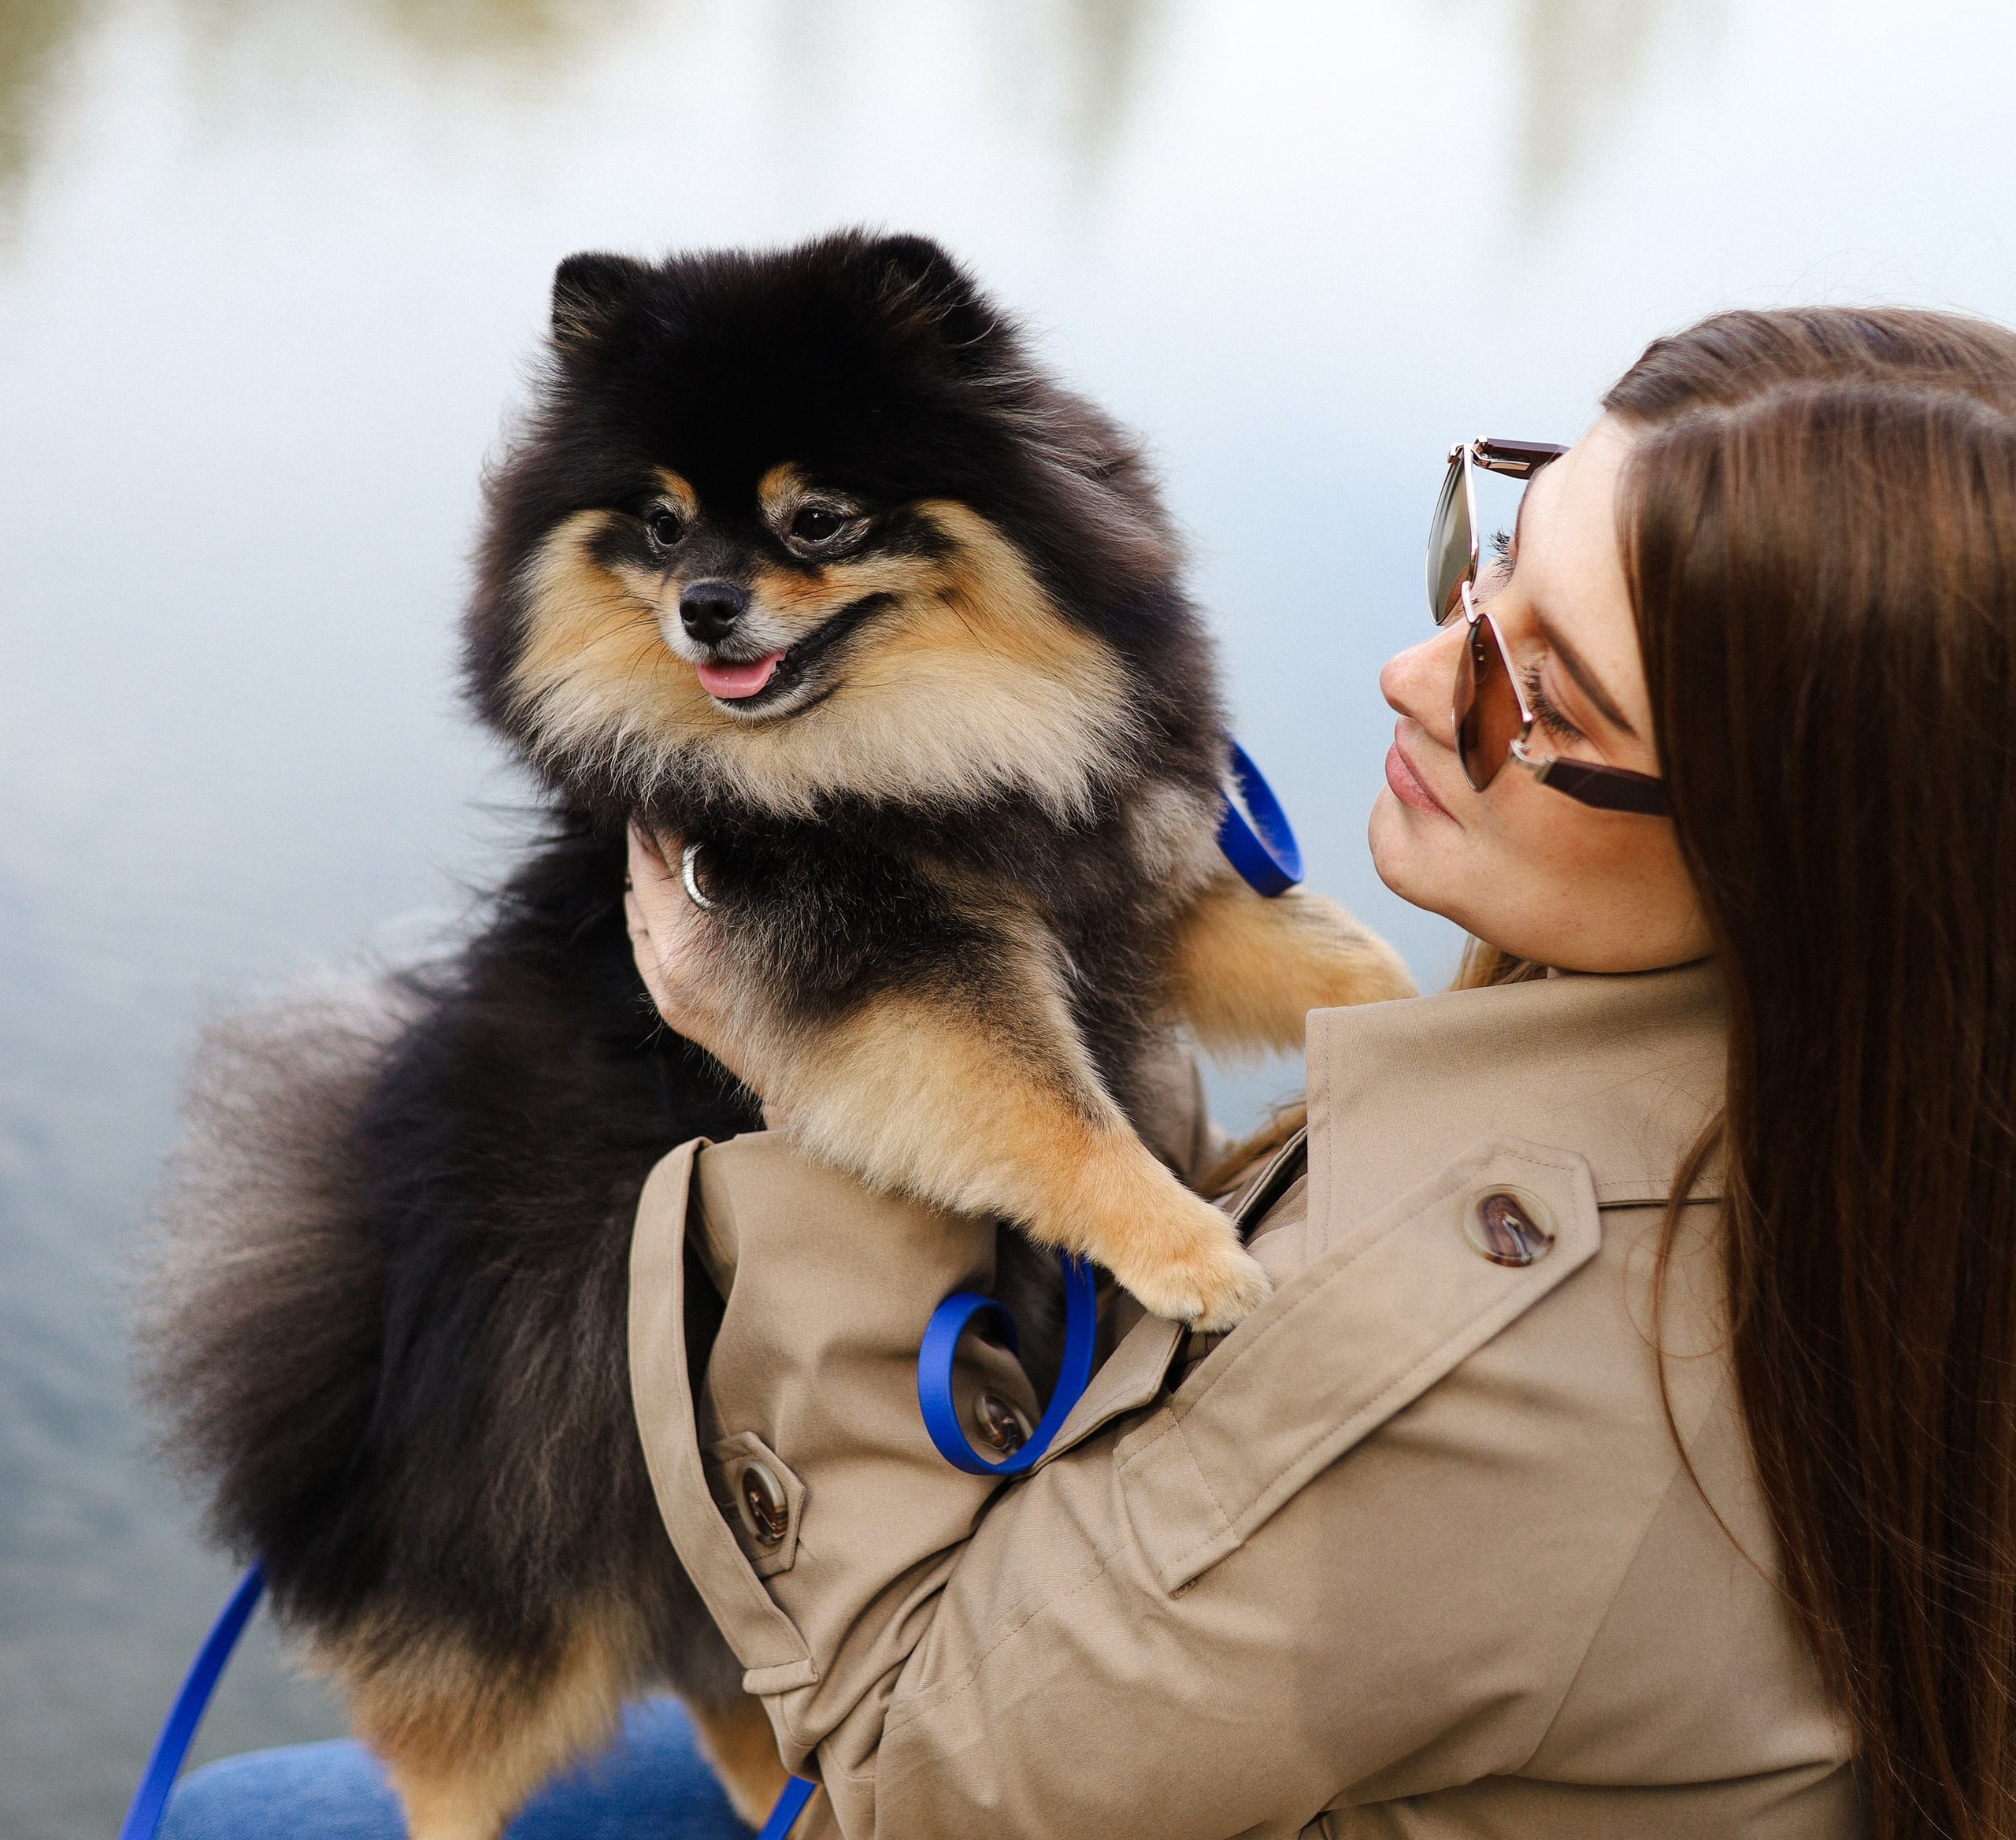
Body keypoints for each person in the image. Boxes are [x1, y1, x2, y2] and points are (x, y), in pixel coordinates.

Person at [163, 303, 2016, 1838]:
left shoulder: (1488, 1373)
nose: (1403, 669)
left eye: (1547, 698)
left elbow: (912, 1784)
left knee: (251, 1824)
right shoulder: (1865, 1103)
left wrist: (824, 1106)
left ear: (1811, 849)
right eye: (1487, 557)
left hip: (970, 1735)